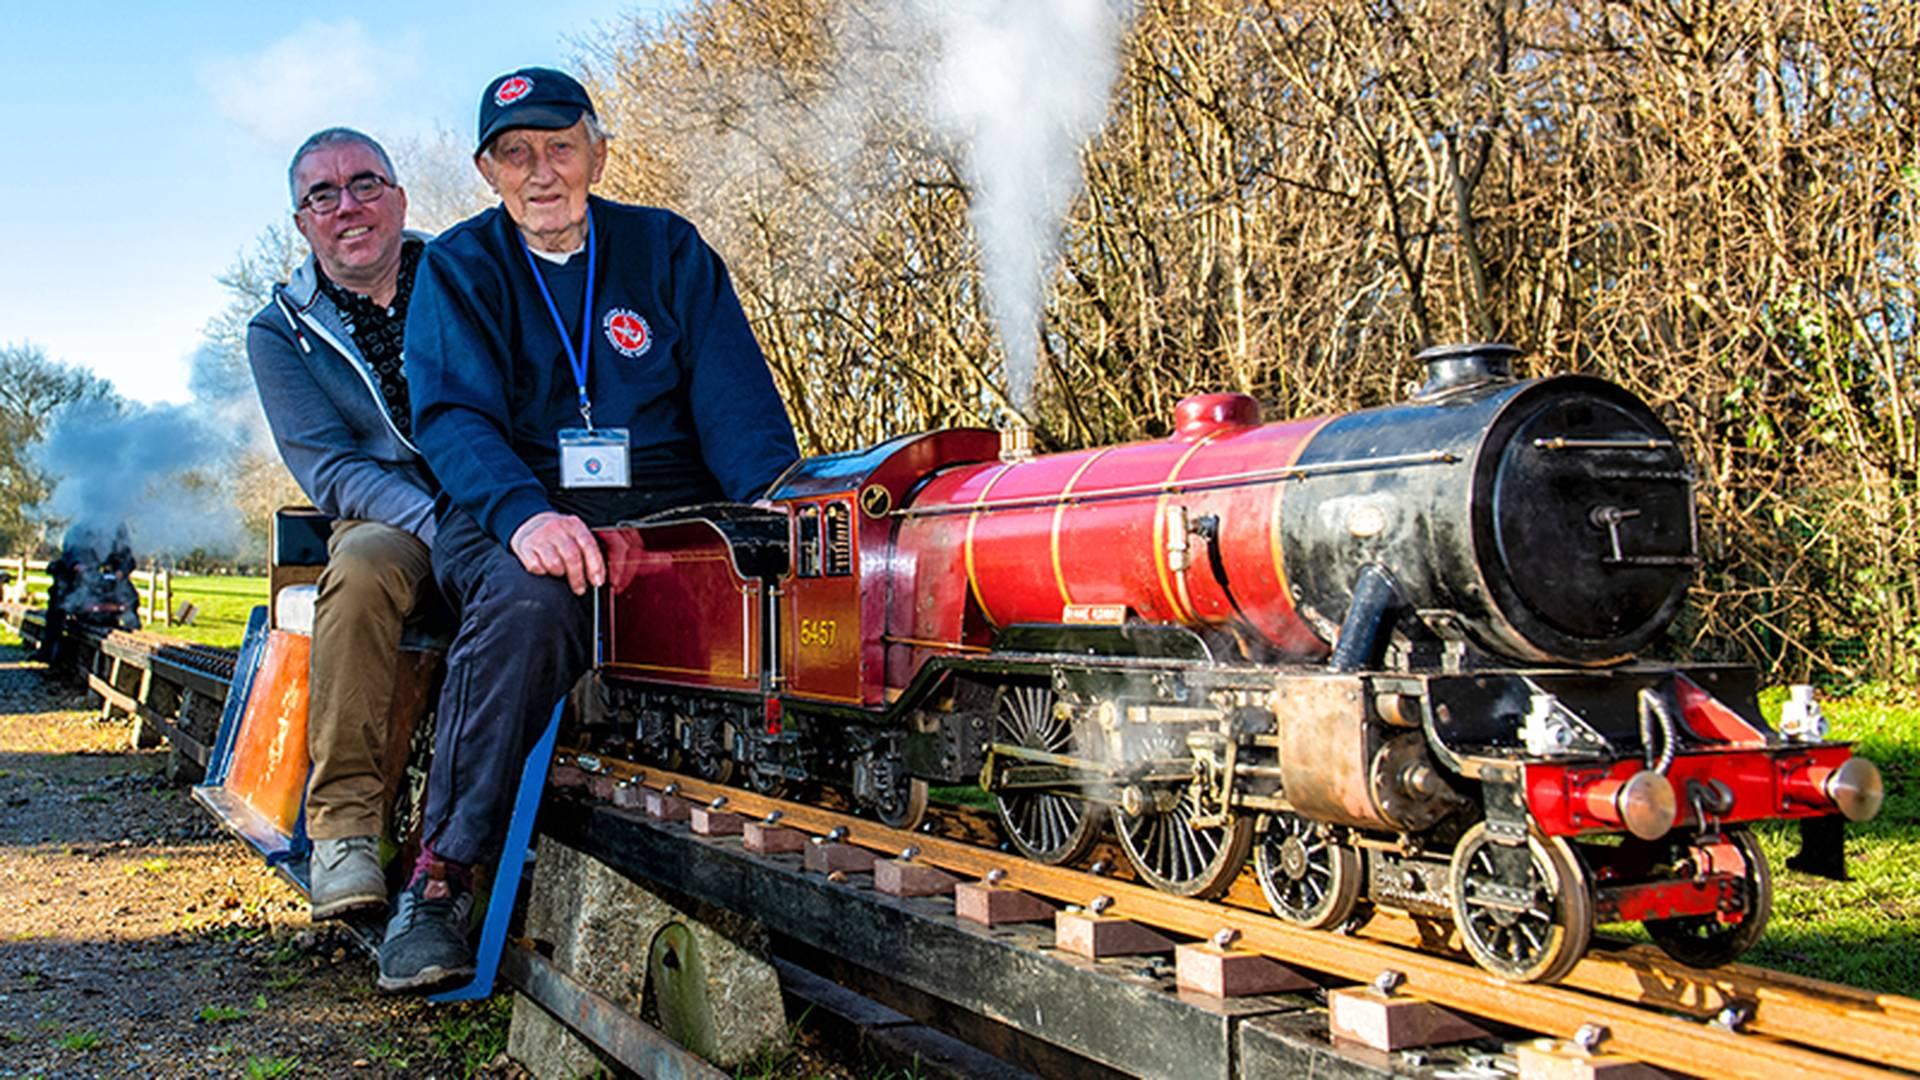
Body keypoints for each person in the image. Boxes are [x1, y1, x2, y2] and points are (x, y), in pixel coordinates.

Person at [383, 68, 798, 992]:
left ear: (597, 153)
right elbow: (450, 417)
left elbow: (738, 408)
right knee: (533, 603)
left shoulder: (668, 250)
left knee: (793, 581)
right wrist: (525, 516)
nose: (541, 171)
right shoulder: (457, 268)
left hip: (664, 506)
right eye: (515, 153)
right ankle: (442, 879)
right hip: (513, 509)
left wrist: (774, 500)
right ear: (488, 171)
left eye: (559, 146)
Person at [246, 128, 440, 922]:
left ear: (398, 197)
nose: (347, 206)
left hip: (505, 494)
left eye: (365, 184)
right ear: (302, 223)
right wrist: (440, 519)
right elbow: (331, 470)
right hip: (392, 516)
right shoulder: (279, 331)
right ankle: (346, 833)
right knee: (359, 568)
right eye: (322, 195)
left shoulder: (469, 276)